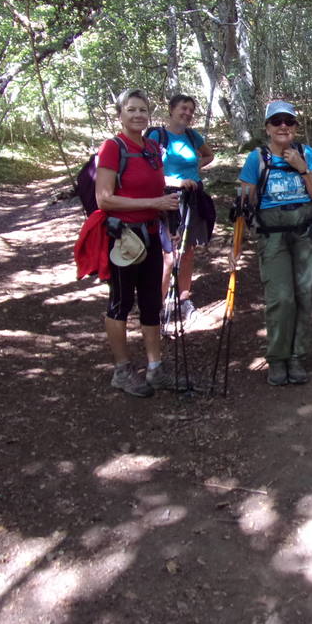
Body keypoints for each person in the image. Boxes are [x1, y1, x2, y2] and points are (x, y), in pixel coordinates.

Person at [95, 89, 181, 397]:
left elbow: (157, 191)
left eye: (143, 109)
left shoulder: (153, 148)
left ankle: (155, 368)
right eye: (131, 109)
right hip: (124, 238)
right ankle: (122, 370)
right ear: (120, 114)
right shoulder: (112, 148)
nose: (138, 115)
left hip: (152, 234)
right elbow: (104, 200)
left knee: (151, 301)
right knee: (120, 303)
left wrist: (167, 223)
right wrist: (153, 203)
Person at [238, 101, 312, 386]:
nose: (283, 126)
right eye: (276, 121)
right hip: (272, 237)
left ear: (295, 127)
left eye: (288, 122)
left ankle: (297, 356)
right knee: (281, 298)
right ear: (267, 127)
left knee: (304, 295)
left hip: (305, 234)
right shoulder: (257, 158)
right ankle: (278, 358)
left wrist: (302, 167)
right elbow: (244, 204)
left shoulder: (306, 153)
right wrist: (235, 246)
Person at [145, 94, 215, 329]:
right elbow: (147, 171)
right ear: (172, 109)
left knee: (187, 252)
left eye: (191, 110)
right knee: (169, 255)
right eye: (183, 108)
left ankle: (184, 300)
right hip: (168, 200)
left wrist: (194, 169)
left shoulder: (192, 136)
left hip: (192, 199)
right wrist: (176, 181)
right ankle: (157, 306)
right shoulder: (157, 136)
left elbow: (209, 155)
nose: (187, 113)